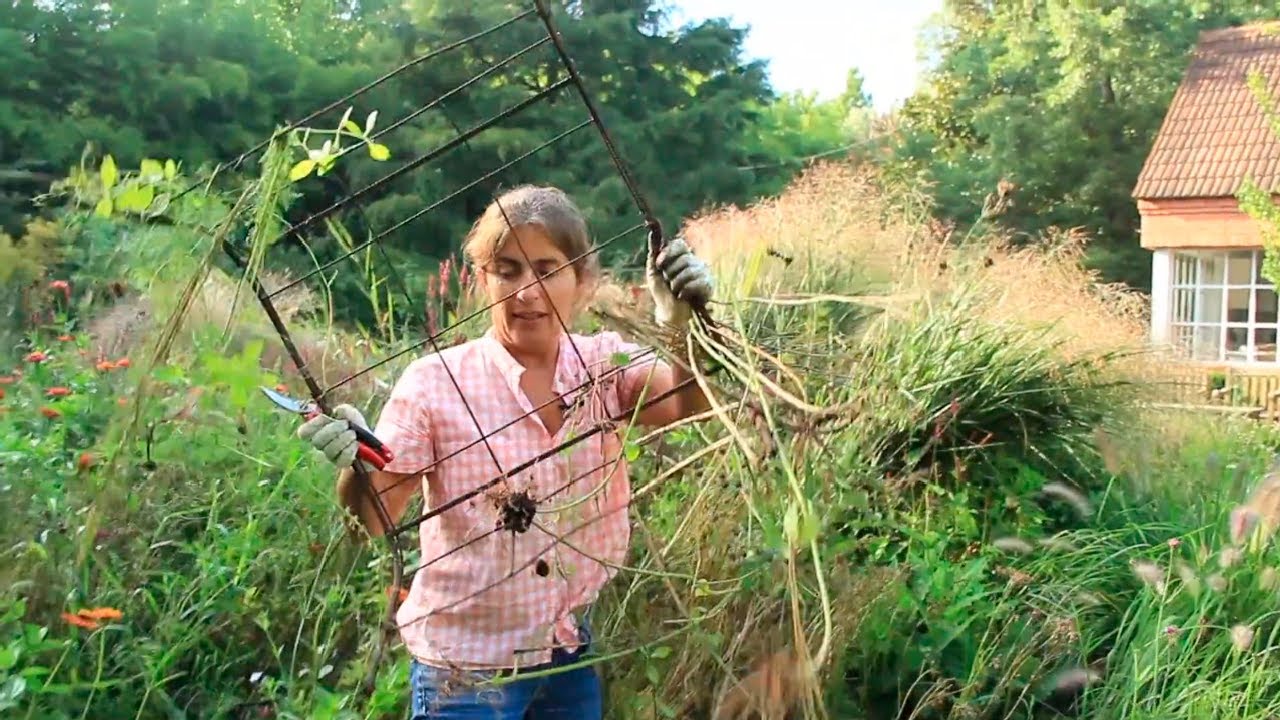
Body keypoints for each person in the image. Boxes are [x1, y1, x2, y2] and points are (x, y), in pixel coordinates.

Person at [295, 184, 716, 719]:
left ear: (581, 280)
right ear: (482, 279)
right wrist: (355, 460)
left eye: (546, 268)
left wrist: (683, 328)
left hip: (565, 653)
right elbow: (374, 517)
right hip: (465, 669)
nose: (526, 292)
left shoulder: (603, 368)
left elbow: (691, 406)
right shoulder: (434, 385)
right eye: (508, 269)